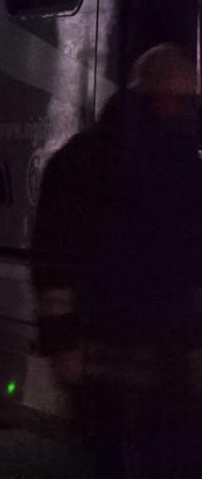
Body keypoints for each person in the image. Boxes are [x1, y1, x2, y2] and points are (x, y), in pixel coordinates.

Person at [33, 43, 202, 477]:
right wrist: (64, 342)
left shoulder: (176, 163)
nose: (185, 112)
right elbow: (54, 264)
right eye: (179, 100)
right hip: (106, 360)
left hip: (158, 361)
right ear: (152, 97)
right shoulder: (87, 164)